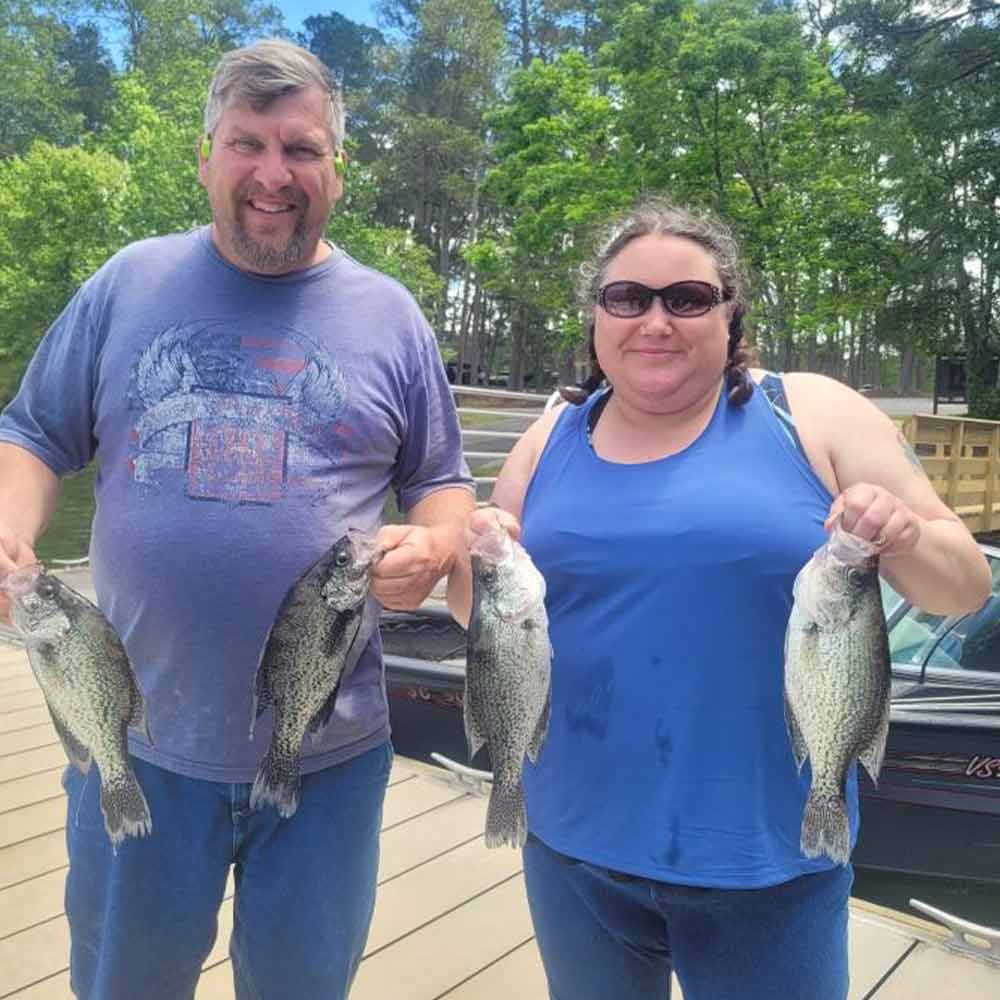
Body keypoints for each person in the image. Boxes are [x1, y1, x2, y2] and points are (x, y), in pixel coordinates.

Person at [0, 39, 475, 1000]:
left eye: (301, 148)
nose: (272, 174)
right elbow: (34, 433)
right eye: (247, 144)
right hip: (134, 738)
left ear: (337, 166)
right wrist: (9, 528)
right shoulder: (126, 283)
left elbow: (440, 479)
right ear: (206, 157)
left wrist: (434, 541)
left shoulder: (391, 316)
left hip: (331, 754)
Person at [448, 199, 991, 1000]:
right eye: (627, 297)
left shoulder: (811, 411)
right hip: (570, 847)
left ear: (730, 314)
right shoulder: (550, 434)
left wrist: (904, 535)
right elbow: (474, 612)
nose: (655, 321)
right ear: (596, 317)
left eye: (687, 298)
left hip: (767, 861)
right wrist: (471, 549)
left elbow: (966, 587)